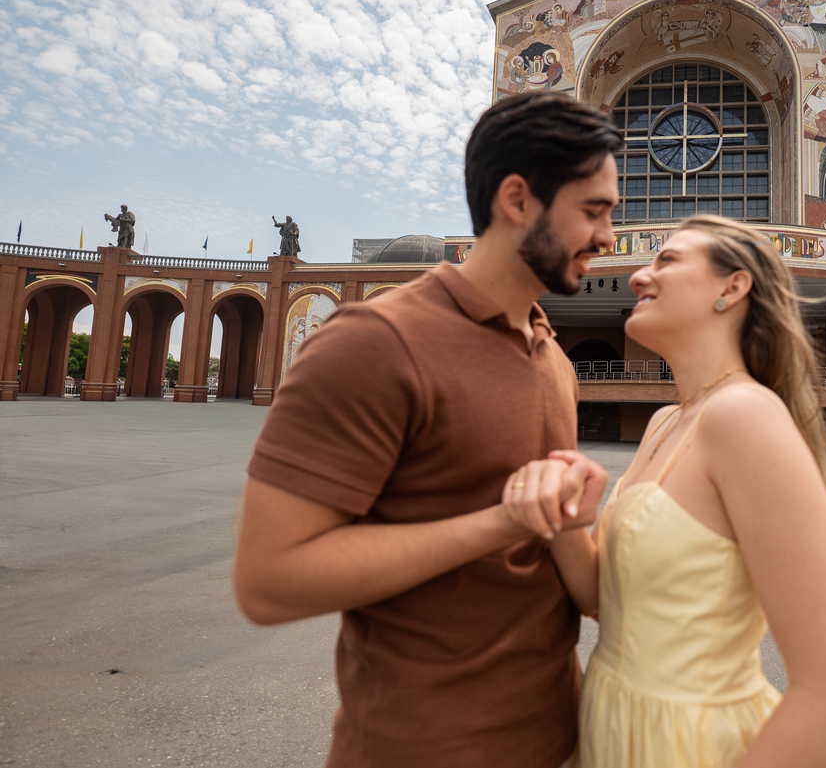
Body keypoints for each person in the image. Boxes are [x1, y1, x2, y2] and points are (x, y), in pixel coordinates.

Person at [232, 92, 622, 768]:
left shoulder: (554, 357)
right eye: (594, 210)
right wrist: (501, 522)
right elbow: (267, 580)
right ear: (518, 200)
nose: (610, 236)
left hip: (563, 736)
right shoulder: (376, 342)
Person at [507, 216, 826, 766]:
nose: (637, 277)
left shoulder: (746, 417)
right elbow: (608, 603)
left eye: (667, 260)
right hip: (611, 729)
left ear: (732, 287)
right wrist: (567, 519)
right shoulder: (664, 422)